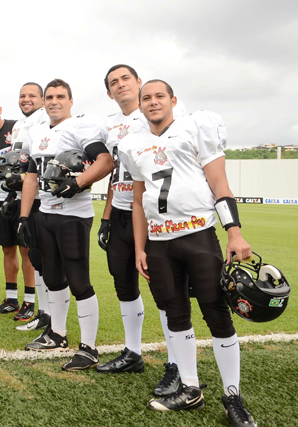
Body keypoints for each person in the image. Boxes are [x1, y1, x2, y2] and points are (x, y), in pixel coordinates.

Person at [119, 79, 257, 426]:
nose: (152, 102)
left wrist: (234, 233)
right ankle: (190, 388)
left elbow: (219, 185)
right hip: (159, 242)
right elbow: (137, 201)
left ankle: (232, 395)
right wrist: (139, 247)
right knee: (175, 314)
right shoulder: (132, 144)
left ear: (172, 100)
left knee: (216, 313)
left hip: (198, 235)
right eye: (146, 98)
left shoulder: (195, 127)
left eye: (159, 96)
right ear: (140, 104)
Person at [95, 64, 186, 396]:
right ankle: (133, 352)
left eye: (125, 79)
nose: (120, 85)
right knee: (124, 286)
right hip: (120, 214)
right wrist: (106, 217)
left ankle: (177, 365)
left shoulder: (159, 117)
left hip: (152, 216)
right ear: (108, 92)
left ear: (138, 83)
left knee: (165, 291)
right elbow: (115, 175)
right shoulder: (112, 127)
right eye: (113, 83)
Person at [18, 79, 113, 372]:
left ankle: (89, 348)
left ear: (71, 101)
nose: (54, 101)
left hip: (73, 214)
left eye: (61, 96)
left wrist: (79, 182)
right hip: (45, 212)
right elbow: (32, 178)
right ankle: (57, 334)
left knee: (78, 279)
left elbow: (105, 161)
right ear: (44, 102)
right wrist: (24, 216)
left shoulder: (78, 128)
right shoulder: (37, 132)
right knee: (54, 278)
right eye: (50, 97)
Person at [0, 94, 36, 320]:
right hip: (2, 200)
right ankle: (11, 298)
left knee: (26, 249)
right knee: (7, 248)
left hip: (22, 196)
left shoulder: (18, 127)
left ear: (0, 109)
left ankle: (29, 300)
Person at [11, 83, 52, 330]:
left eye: (32, 96)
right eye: (22, 95)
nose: (26, 99)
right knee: (36, 256)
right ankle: (44, 312)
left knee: (45, 258)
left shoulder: (45, 120)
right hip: (26, 195)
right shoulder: (19, 125)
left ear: (43, 99)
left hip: (42, 198)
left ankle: (49, 314)